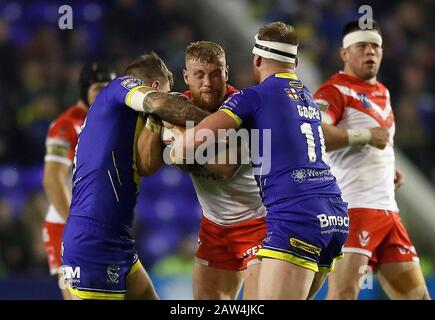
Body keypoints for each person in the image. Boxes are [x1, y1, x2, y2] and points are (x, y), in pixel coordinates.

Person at [171, 22, 349, 300]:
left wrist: (174, 138)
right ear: (296, 62)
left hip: (293, 216)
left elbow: (193, 145)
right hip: (334, 215)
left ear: (257, 59)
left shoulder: (252, 98)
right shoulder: (307, 98)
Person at [61, 52, 208, 300]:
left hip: (117, 238)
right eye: (167, 89)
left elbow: (147, 167)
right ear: (154, 87)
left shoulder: (123, 120)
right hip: (94, 238)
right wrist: (221, 124)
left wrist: (154, 123)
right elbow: (159, 104)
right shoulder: (119, 87)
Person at [139, 41, 266, 300]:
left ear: (226, 73)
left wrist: (176, 129)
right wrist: (154, 119)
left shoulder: (244, 107)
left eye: (215, 73)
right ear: (186, 77)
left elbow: (225, 166)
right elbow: (146, 166)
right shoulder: (174, 105)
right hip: (215, 226)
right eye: (199, 75)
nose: (208, 82)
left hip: (260, 223)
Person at [314, 19, 431, 300]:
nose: (371, 52)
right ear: (344, 53)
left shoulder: (382, 92)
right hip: (354, 211)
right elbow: (316, 134)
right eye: (362, 46)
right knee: (343, 295)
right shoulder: (335, 90)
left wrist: (389, 168)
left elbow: (380, 140)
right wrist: (363, 135)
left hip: (388, 213)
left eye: (376, 46)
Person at [42, 62, 115, 299]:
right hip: (68, 226)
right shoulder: (66, 126)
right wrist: (76, 225)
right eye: (98, 88)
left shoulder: (110, 121)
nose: (104, 94)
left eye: (108, 88)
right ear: (84, 90)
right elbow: (52, 180)